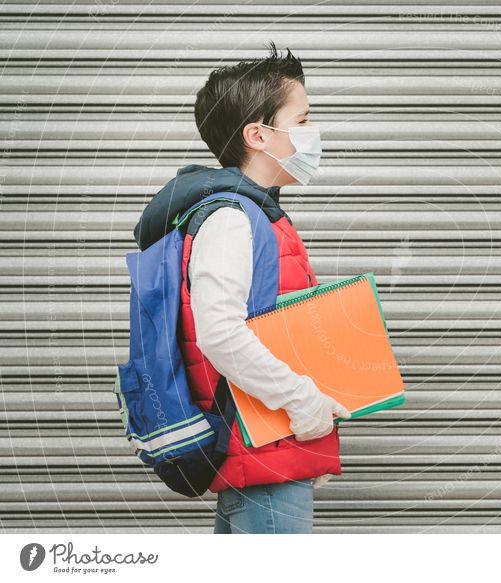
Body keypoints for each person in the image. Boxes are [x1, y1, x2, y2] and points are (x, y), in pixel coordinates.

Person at [133, 42, 350, 533]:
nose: (313, 134)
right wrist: (304, 402)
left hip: (272, 454)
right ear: (259, 135)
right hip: (263, 456)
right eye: (302, 120)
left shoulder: (254, 213)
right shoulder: (233, 218)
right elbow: (221, 334)